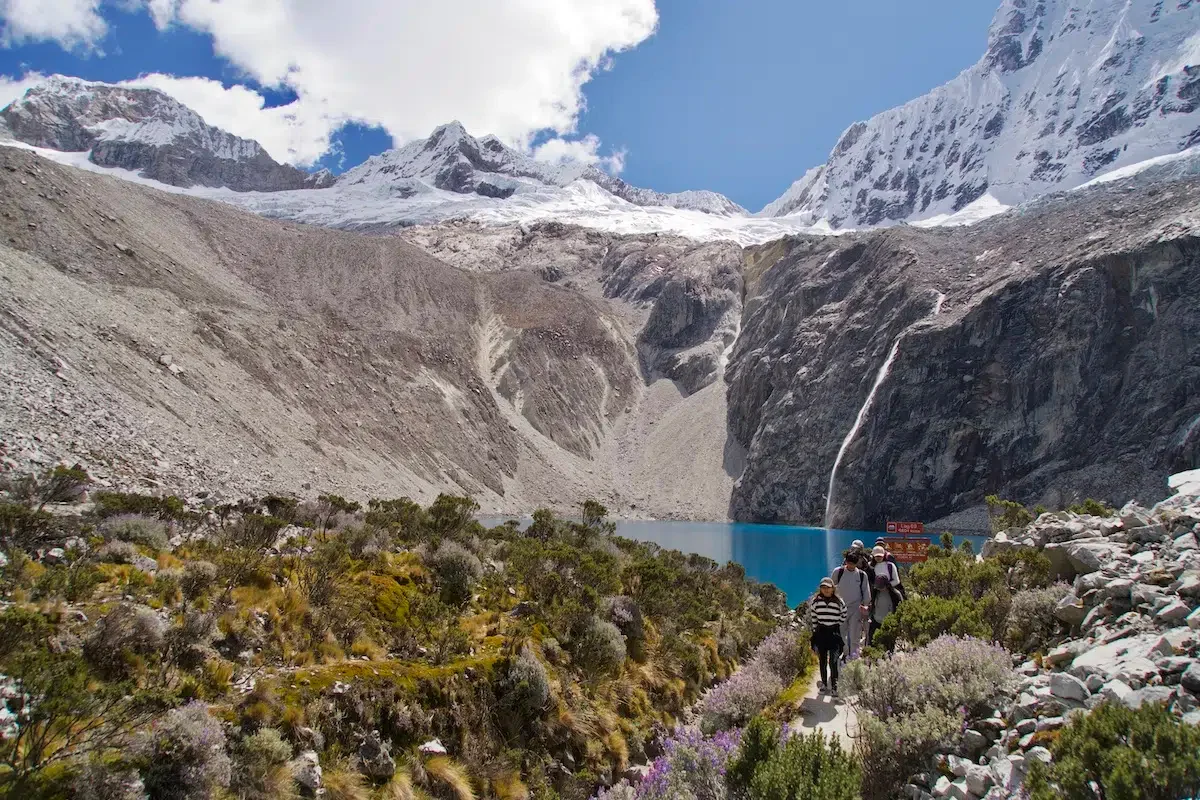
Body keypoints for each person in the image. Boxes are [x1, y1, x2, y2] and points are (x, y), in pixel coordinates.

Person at [807, 577, 847, 697]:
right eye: (823, 587)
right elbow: (813, 616)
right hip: (821, 633)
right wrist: (815, 630)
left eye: (828, 588)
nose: (826, 590)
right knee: (822, 660)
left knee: (834, 661)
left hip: (834, 633)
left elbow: (844, 615)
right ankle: (824, 683)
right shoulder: (816, 601)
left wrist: (836, 624)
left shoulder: (839, 602)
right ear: (820, 589)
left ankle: (835, 686)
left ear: (833, 588)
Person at [832, 551, 869, 661]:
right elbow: (831, 587)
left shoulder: (862, 575)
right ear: (846, 562)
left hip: (855, 608)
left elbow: (865, 591)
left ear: (857, 563)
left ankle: (854, 655)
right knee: (842, 633)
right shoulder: (838, 572)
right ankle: (845, 653)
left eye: (853, 564)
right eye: (849, 563)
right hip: (840, 608)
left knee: (855, 634)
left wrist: (866, 605)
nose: (851, 566)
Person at [869, 572, 903, 646]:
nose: (879, 588)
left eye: (881, 587)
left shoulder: (895, 595)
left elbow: (900, 608)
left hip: (889, 623)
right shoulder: (875, 593)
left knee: (888, 646)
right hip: (876, 622)